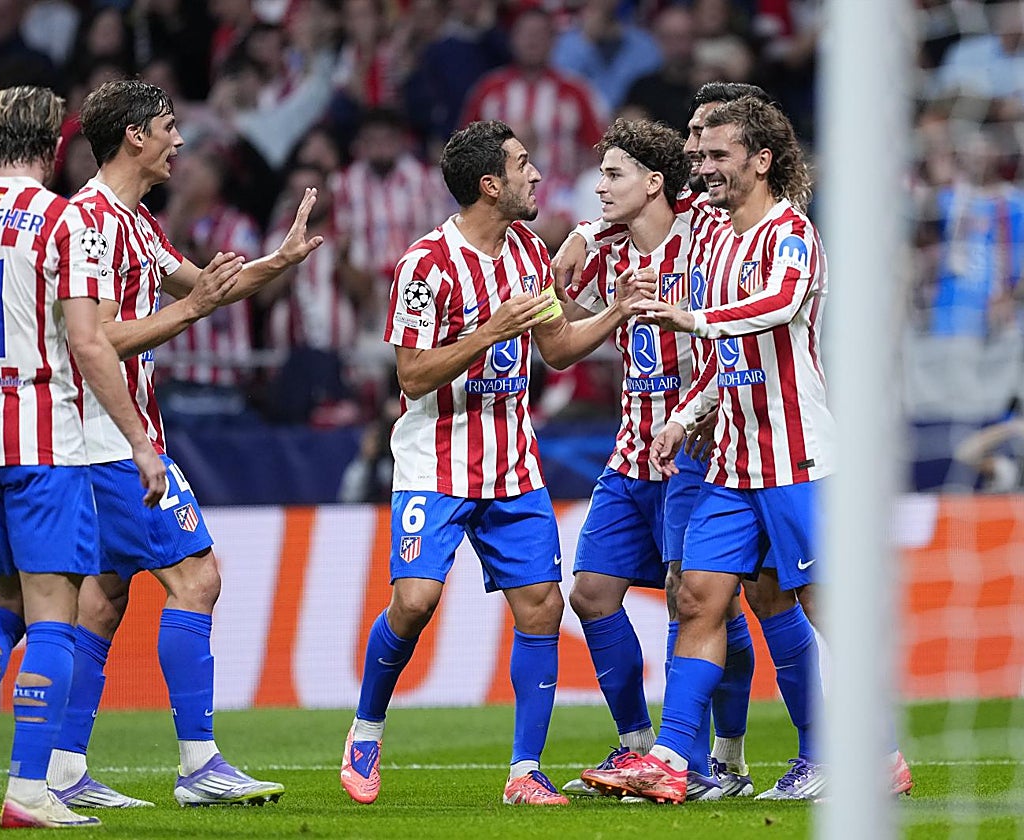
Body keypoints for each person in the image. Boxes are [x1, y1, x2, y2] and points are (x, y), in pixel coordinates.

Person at [338, 119, 651, 807]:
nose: (536, 174)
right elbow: (412, 375)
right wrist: (489, 332)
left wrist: (617, 311)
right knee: (414, 603)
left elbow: (557, 348)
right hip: (435, 463)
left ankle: (524, 771)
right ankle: (365, 730)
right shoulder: (425, 265)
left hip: (513, 465)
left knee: (541, 608)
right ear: (490, 184)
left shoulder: (530, 253)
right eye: (522, 164)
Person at [44, 78, 324, 809]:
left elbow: (206, 287)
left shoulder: (135, 221)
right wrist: (192, 311)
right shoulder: (91, 223)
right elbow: (97, 340)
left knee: (103, 602)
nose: (179, 140)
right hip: (107, 438)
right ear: (133, 135)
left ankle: (64, 769)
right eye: (169, 126)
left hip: (108, 436)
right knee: (197, 579)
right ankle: (199, 764)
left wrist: (278, 261)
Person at [0, 84, 167, 829]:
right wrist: (140, 444)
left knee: (3, 605)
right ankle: (29, 788)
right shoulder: (63, 220)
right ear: (55, 146)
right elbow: (90, 341)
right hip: (43, 438)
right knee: (54, 613)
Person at [581, 95, 833, 804]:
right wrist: (684, 416)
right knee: (696, 598)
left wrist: (691, 317)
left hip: (795, 457)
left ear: (762, 160)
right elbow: (725, 363)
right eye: (701, 151)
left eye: (719, 153)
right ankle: (672, 758)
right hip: (728, 461)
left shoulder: (790, 233)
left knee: (821, 607)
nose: (704, 163)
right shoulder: (715, 240)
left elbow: (778, 306)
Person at [554, 82, 775, 801]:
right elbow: (562, 340)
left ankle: (724, 759)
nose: (599, 188)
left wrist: (697, 414)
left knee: (701, 599)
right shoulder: (604, 253)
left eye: (612, 174)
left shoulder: (707, 233)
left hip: (699, 448)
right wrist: (582, 240)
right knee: (591, 594)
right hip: (630, 450)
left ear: (655, 183)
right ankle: (638, 747)